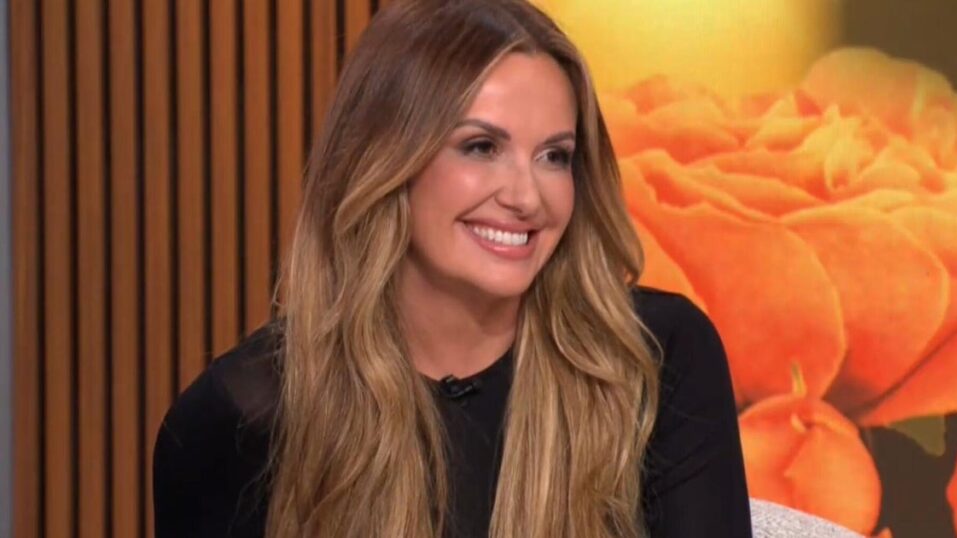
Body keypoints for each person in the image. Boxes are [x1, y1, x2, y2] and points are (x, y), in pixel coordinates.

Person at [153, 0, 752, 536]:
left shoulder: (652, 362)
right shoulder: (238, 419)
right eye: (481, 147)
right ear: (385, 160)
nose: (527, 197)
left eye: (554, 156)